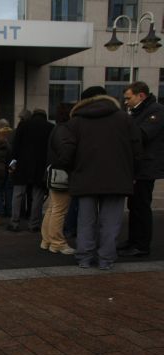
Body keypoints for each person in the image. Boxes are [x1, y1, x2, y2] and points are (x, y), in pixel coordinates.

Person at [59, 86, 141, 270]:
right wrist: (132, 173)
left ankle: (85, 257)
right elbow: (137, 150)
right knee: (110, 222)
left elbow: (66, 153)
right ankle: (106, 259)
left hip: (84, 176)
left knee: (85, 221)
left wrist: (73, 170)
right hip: (117, 178)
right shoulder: (125, 119)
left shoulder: (76, 122)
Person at [118, 81, 164, 257]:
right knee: (134, 205)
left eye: (128, 98)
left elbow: (142, 134)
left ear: (141, 96)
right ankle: (133, 240)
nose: (126, 102)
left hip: (146, 167)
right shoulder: (139, 111)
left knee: (141, 206)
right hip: (137, 166)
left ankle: (142, 245)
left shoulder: (156, 111)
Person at [7, 109, 53, 232]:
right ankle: (34, 224)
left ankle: (14, 222)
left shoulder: (23, 125)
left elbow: (15, 147)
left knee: (17, 195)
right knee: (37, 196)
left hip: (22, 166)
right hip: (40, 166)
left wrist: (12, 165)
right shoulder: (50, 127)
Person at [40, 102, 75, 254]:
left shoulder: (58, 128)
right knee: (59, 209)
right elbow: (65, 155)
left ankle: (47, 240)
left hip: (54, 172)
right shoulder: (64, 130)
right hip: (61, 174)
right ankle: (57, 242)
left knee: (53, 208)